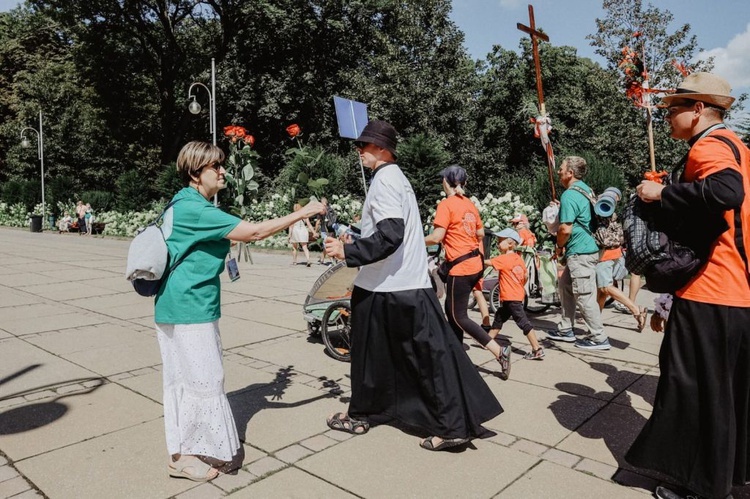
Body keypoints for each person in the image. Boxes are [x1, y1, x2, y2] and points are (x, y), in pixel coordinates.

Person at [323, 120, 502, 452]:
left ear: (381, 149)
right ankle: (372, 412)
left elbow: (392, 234)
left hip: (391, 285)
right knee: (405, 355)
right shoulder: (396, 179)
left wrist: (348, 251)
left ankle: (436, 424)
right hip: (394, 283)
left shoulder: (385, 181)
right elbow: (391, 233)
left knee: (406, 357)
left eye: (364, 146)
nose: (359, 151)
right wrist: (358, 241)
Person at [156, 141, 324, 481]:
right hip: (191, 307)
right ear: (194, 173)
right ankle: (196, 454)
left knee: (184, 381)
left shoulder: (184, 203)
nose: (222, 172)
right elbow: (256, 232)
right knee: (205, 379)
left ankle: (184, 452)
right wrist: (304, 212)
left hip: (174, 304)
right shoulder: (196, 209)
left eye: (222, 165)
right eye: (214, 167)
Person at [625, 72, 750, 499]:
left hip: (710, 290)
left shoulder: (710, 145)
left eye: (674, 109)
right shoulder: (740, 147)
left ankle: (703, 488)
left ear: (698, 110)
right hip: (739, 293)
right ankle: (727, 478)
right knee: (728, 395)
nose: (669, 118)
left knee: (693, 390)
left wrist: (661, 195)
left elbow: (726, 192)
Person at [424, 165, 511, 377]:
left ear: (447, 181)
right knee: (452, 311)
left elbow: (435, 237)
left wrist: (411, 241)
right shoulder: (469, 204)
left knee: (458, 315)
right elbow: (480, 233)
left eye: (442, 180)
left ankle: (499, 351)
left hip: (461, 267)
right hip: (475, 263)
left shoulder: (446, 204)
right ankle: (455, 358)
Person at [545, 156, 609, 350]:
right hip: (586, 249)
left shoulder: (570, 195)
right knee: (565, 286)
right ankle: (566, 329)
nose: (559, 172)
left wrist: (558, 246)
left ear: (570, 173)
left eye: (562, 169)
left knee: (584, 295)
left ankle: (599, 337)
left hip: (580, 252)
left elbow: (565, 229)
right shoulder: (584, 189)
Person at [484, 228, 545, 361]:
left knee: (523, 322)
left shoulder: (504, 259)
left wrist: (475, 257)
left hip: (510, 298)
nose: (498, 243)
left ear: (510, 243)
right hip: (515, 296)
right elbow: (525, 276)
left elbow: (487, 262)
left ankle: (536, 348)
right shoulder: (518, 259)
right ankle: (487, 341)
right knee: (499, 318)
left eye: (500, 241)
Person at [288, 202, 316, 266]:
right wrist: (314, 232)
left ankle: (295, 261)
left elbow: (291, 226)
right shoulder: (305, 215)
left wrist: (289, 235)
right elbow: (309, 224)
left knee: (294, 247)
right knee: (305, 247)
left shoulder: (293, 215)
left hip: (295, 231)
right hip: (303, 231)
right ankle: (308, 260)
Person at [314, 196, 337, 265]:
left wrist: (315, 231)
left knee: (327, 245)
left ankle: (333, 261)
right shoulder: (331, 209)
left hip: (325, 229)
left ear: (323, 203)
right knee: (329, 244)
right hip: (332, 229)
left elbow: (318, 222)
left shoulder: (321, 210)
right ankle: (322, 259)